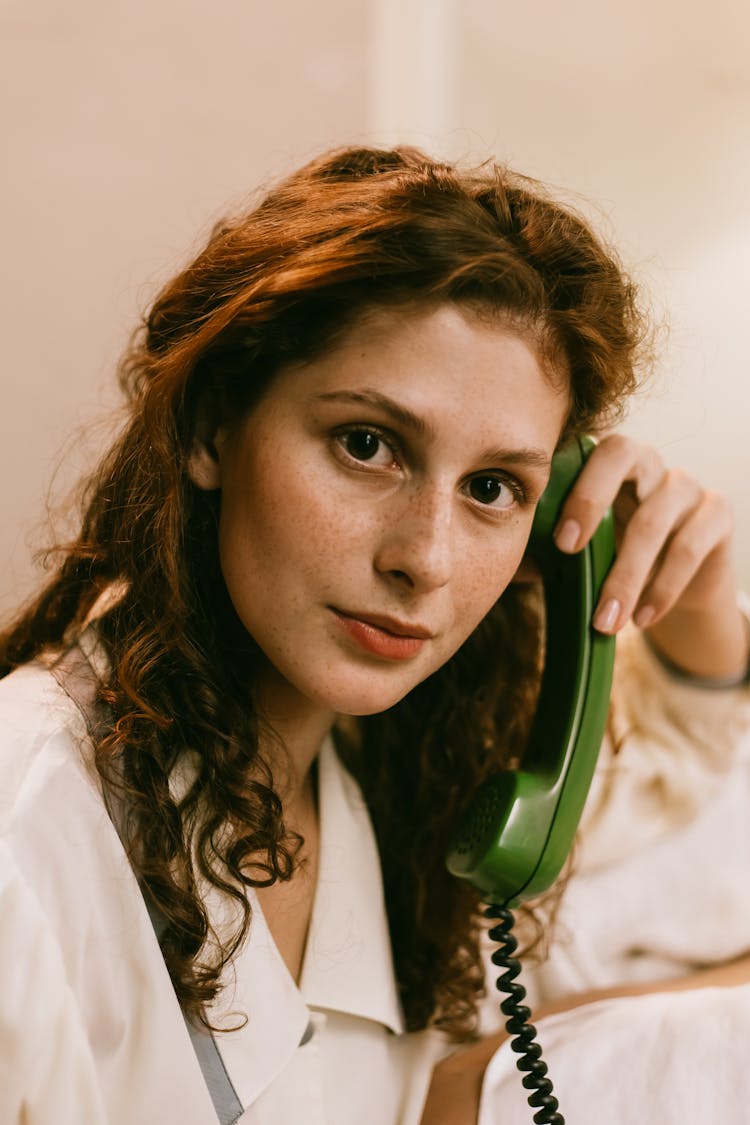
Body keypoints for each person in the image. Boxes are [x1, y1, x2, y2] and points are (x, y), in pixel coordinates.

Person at [0, 145, 747, 1125]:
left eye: (493, 488)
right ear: (212, 427)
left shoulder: (397, 786)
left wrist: (687, 603)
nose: (426, 560)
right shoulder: (26, 832)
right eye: (368, 445)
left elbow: (688, 822)